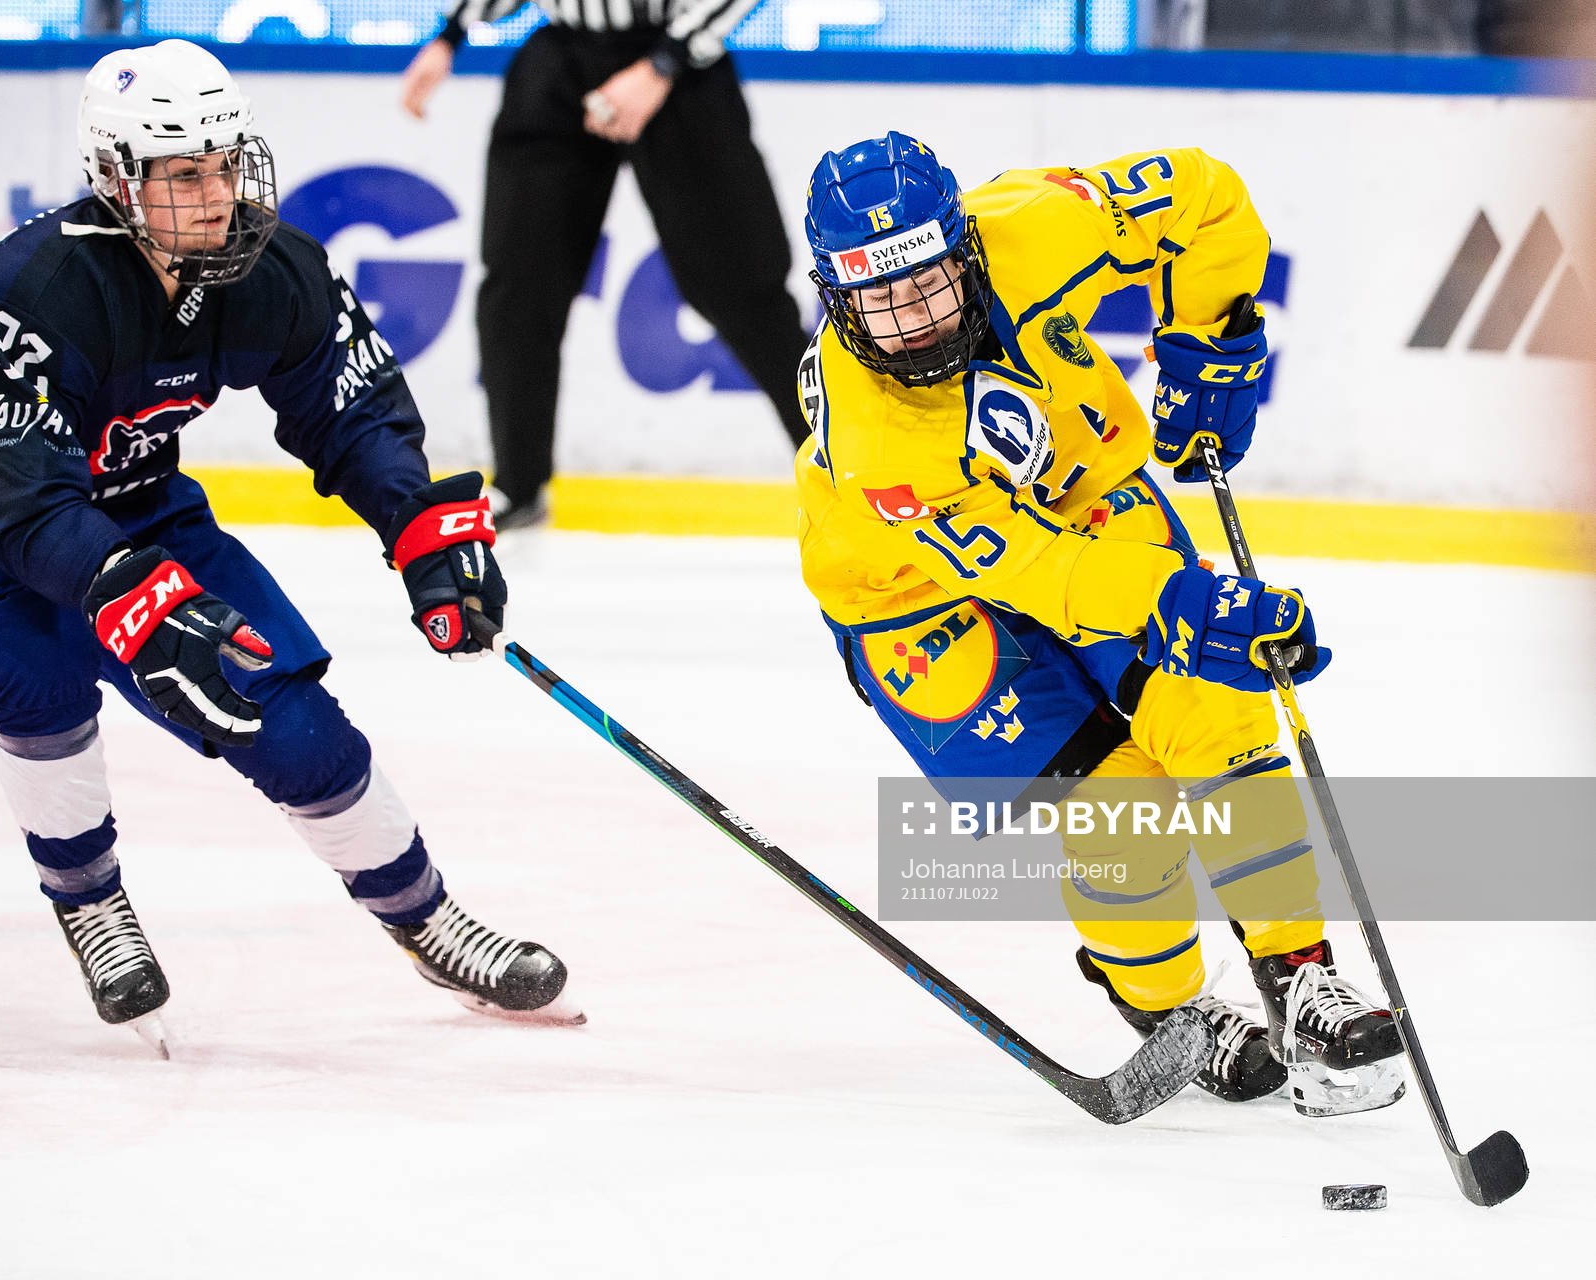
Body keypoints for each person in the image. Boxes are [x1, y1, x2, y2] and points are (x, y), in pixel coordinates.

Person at [0, 40, 582, 1055]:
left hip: (127, 500)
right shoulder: (32, 287)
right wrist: (121, 590)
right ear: (115, 178)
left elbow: (351, 409)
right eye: (185, 172)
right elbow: (14, 495)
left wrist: (415, 525)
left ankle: (428, 919)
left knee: (293, 722)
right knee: (37, 670)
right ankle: (90, 900)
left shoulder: (269, 267)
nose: (219, 193)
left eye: (227, 163)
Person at [795, 132, 1405, 1114]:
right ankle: (1168, 1008)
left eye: (929, 286)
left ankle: (1299, 975)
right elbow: (1040, 574)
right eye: (879, 301)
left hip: (1083, 497)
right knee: (1121, 812)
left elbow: (1203, 195)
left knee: (1214, 708)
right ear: (837, 297)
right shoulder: (878, 441)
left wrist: (1210, 335)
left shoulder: (1039, 222)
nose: (910, 323)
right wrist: (1185, 606)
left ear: (968, 250)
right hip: (916, 600)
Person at [397, 1, 812, 530]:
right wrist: (451, 32)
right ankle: (518, 485)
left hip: (683, 66)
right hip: (562, 57)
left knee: (744, 290)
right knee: (518, 284)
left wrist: (666, 61)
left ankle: (848, 467)